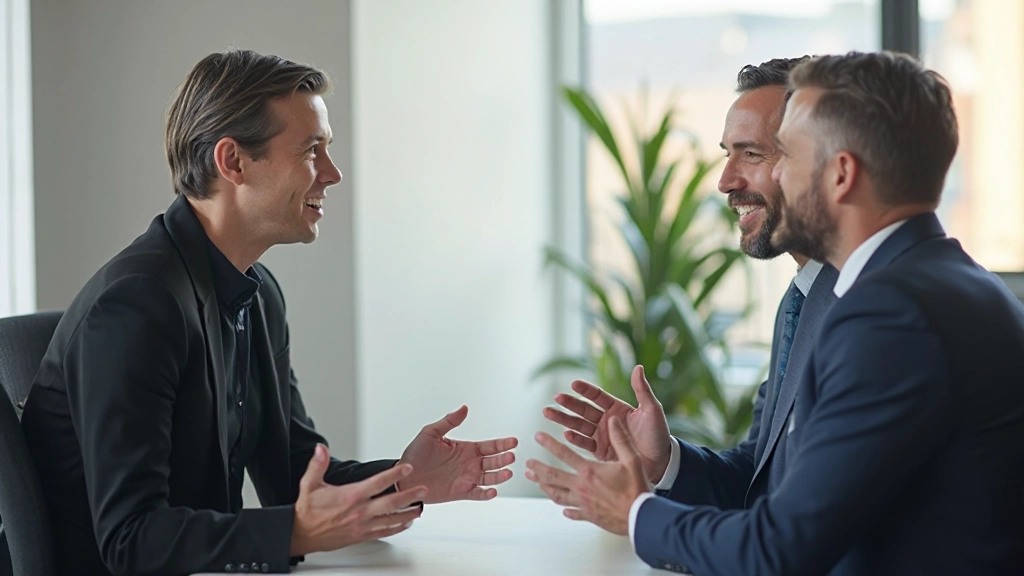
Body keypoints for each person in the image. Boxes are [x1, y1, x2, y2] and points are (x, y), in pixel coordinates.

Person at [20, 49, 518, 576]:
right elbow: (131, 541)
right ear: (232, 161)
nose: (333, 173)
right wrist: (298, 532)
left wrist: (405, 478)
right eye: (312, 150)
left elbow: (294, 475)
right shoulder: (137, 306)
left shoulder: (257, 295)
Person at [528, 51, 1024, 575]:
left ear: (840, 175)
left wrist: (635, 513)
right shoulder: (918, 286)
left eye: (783, 153)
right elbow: (772, 487)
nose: (749, 179)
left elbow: (779, 551)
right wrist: (664, 462)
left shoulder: (890, 314)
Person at [540, 57, 837, 511]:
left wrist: (641, 519)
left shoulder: (865, 307)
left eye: (752, 154)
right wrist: (663, 461)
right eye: (727, 154)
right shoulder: (802, 300)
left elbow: (800, 530)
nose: (725, 181)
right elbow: (757, 480)